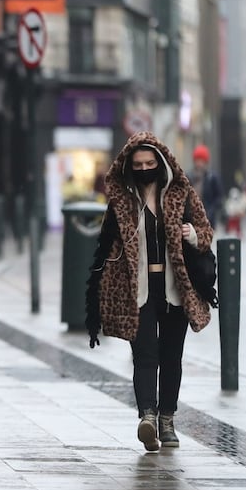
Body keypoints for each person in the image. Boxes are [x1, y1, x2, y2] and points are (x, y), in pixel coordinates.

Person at [84, 132, 214, 452]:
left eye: (149, 163)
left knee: (171, 358)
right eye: (138, 164)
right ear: (130, 166)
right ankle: (147, 418)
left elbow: (207, 232)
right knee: (145, 357)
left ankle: (167, 421)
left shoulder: (181, 195)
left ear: (161, 162)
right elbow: (106, 249)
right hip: (138, 292)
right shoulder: (122, 203)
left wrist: (194, 235)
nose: (144, 169)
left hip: (174, 290)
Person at [189, 144, 223, 230]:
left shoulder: (212, 178)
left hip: (208, 221)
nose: (199, 164)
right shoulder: (189, 177)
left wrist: (211, 212)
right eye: (197, 160)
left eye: (202, 161)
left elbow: (219, 197)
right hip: (192, 220)